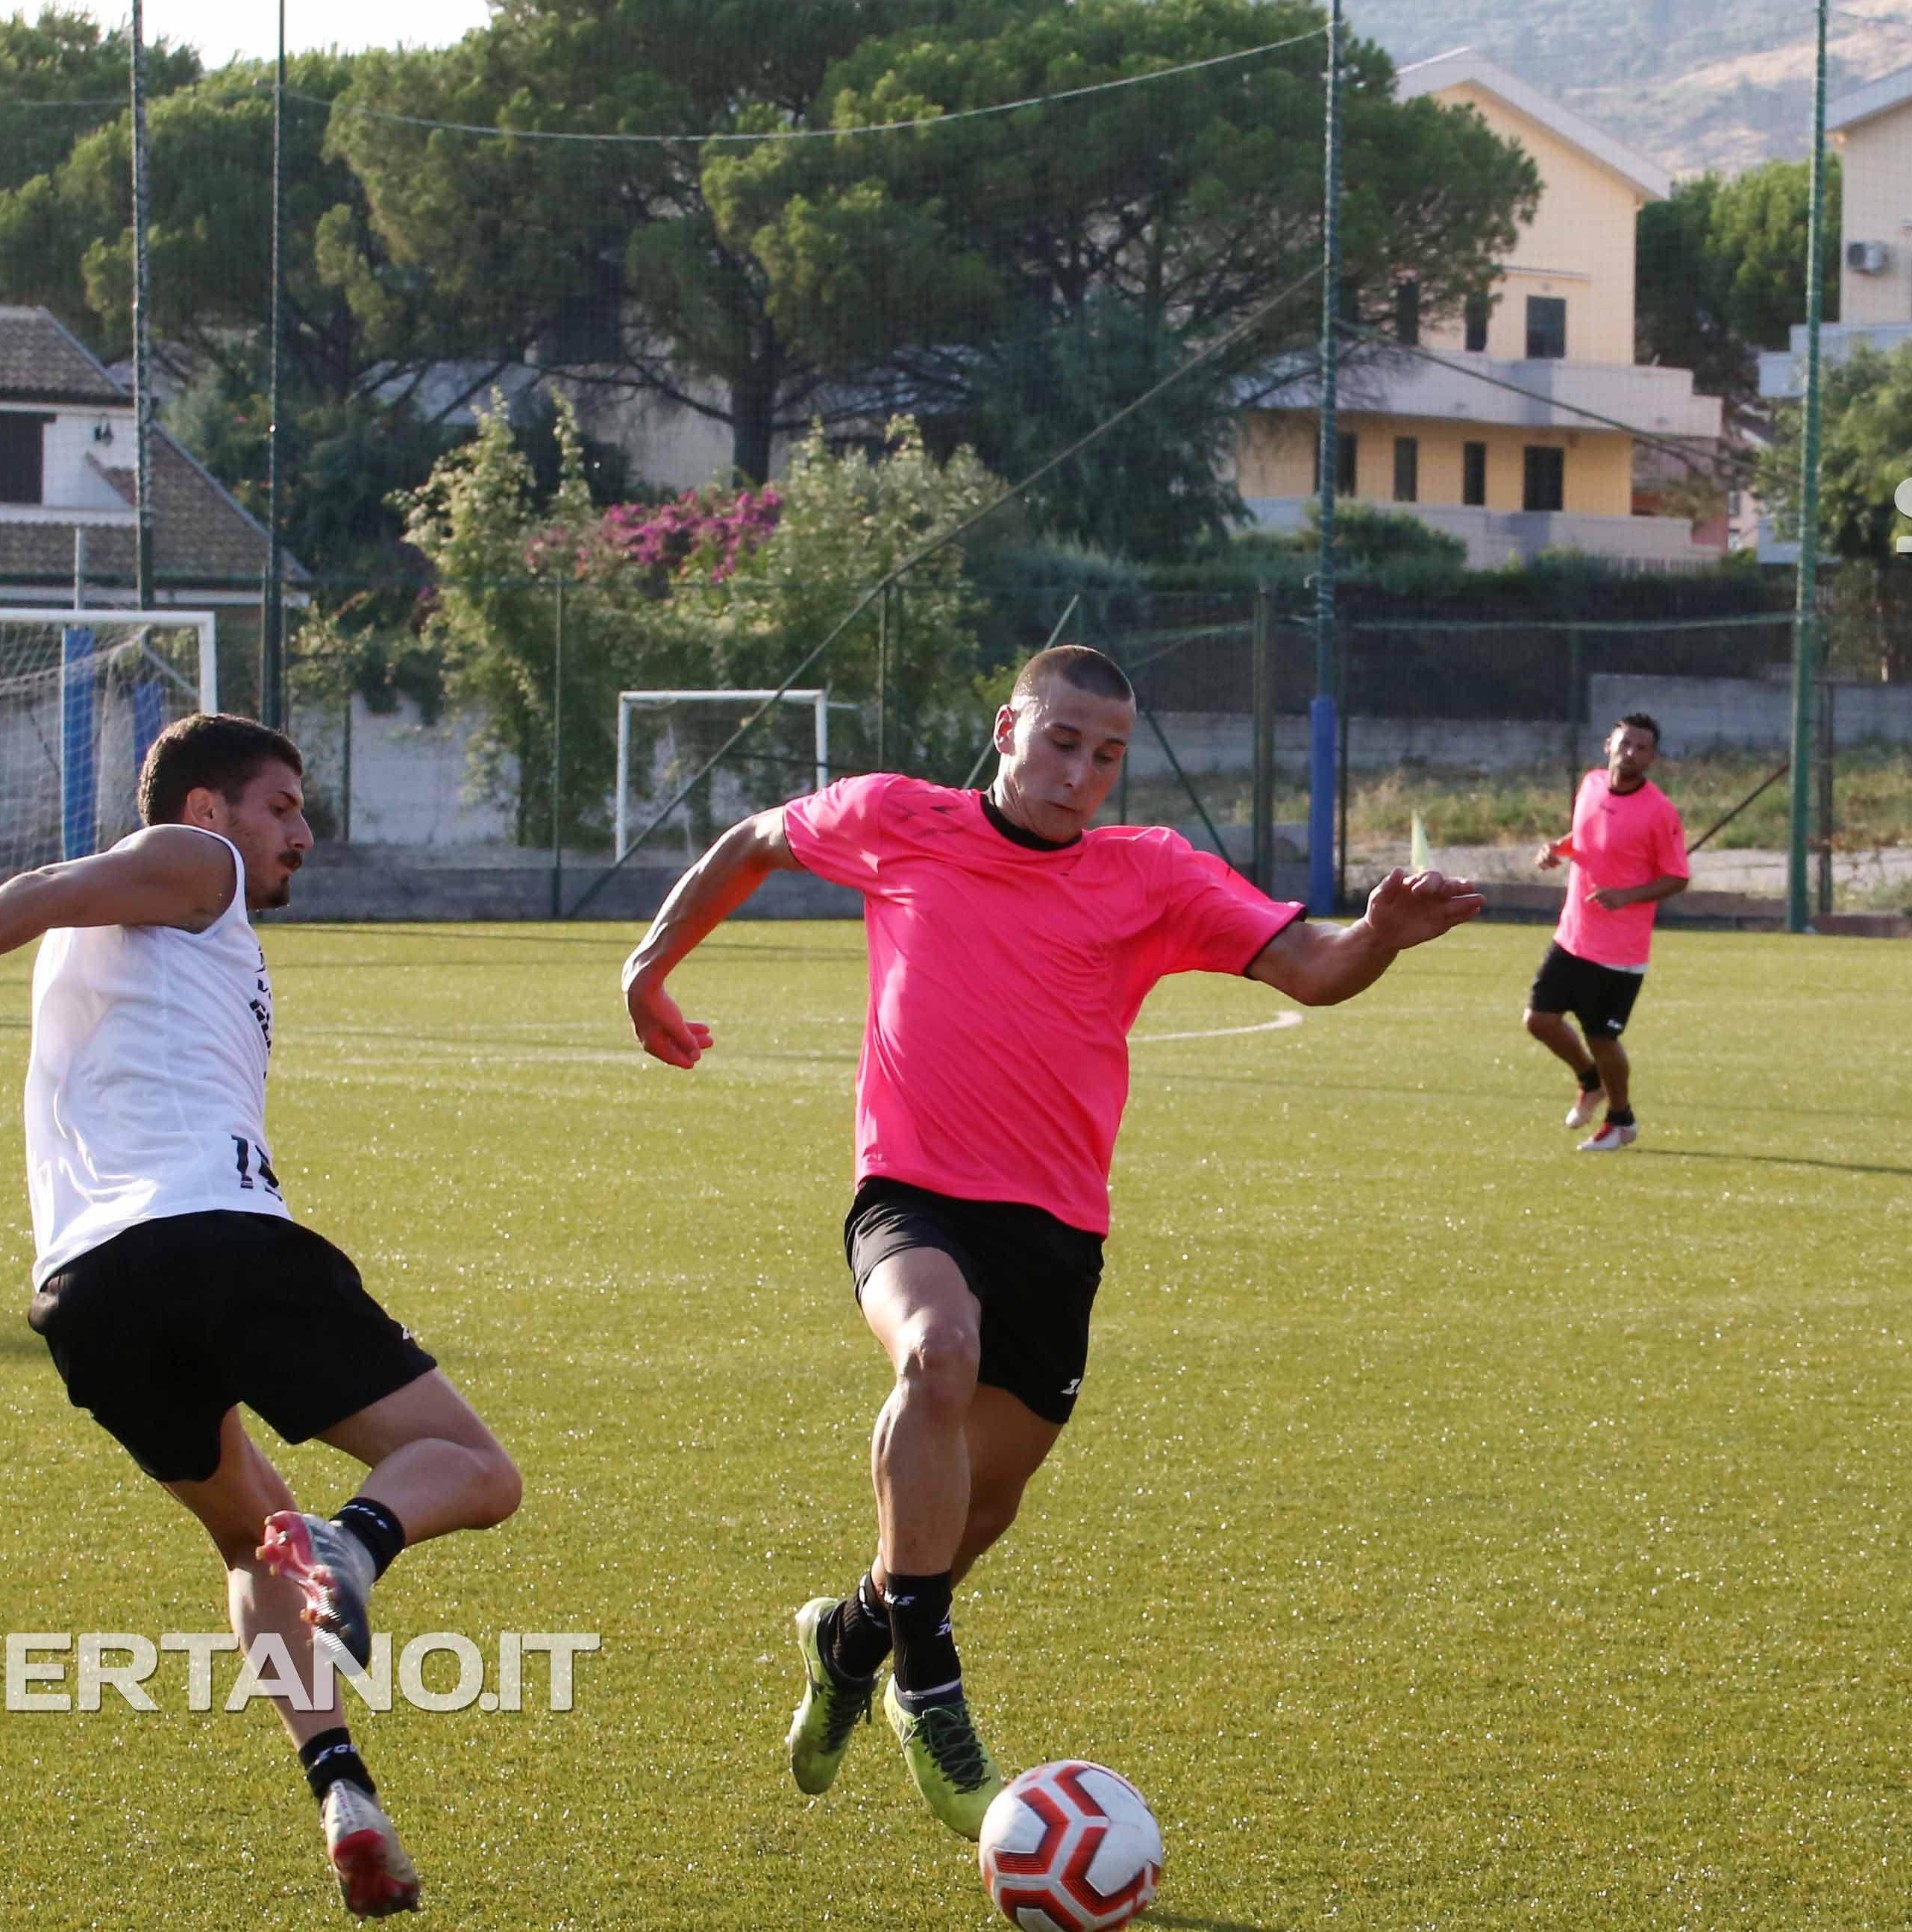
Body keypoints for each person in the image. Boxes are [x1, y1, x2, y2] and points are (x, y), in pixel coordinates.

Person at [620, 644, 1482, 1839]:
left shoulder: (1153, 875)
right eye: (1063, 741)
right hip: (912, 1195)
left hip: (1058, 1232)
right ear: (1008, 725)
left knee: (971, 1517)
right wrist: (649, 966)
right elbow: (757, 840)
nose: (1082, 773)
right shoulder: (897, 818)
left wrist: (1380, 935)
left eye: (1108, 755)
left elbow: (1313, 970)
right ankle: (930, 1691)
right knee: (935, 1349)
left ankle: (851, 1636)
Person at [0, 712, 523, 1913]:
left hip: (89, 1298)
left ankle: (341, 1789)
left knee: (253, 1536)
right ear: (208, 811)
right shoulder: (201, 867)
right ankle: (359, 1544)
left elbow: (60, 905)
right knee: (471, 1469)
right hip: (218, 1241)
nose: (302, 831)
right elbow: (45, 880)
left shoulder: (144, 925)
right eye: (282, 805)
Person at [1524, 714, 1694, 1153]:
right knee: (1539, 1021)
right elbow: (1585, 833)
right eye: (1625, 744)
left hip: (1619, 952)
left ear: (1652, 758)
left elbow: (1676, 877)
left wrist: (1627, 896)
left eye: (1642, 748)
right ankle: (1589, 1081)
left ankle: (1621, 1120)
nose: (1631, 753)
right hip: (1573, 935)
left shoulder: (1660, 812)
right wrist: (1556, 850)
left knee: (1602, 1037)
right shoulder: (1592, 784)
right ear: (1608, 745)